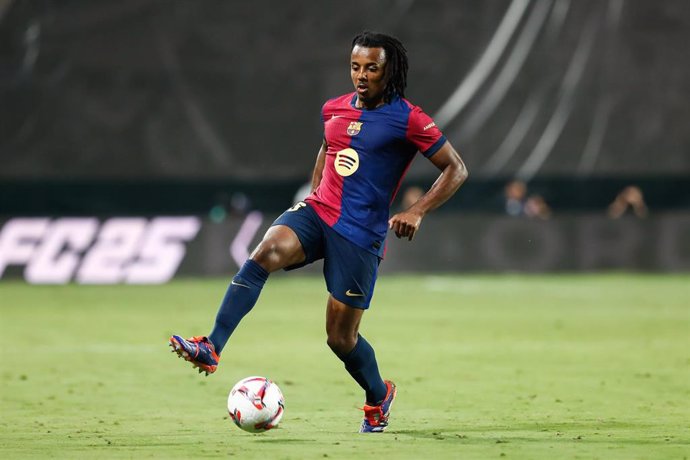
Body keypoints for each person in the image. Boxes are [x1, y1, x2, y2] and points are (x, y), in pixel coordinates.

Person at [169, 31, 468, 433]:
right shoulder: (334, 109)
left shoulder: (408, 118)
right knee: (264, 254)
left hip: (361, 233)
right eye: (355, 66)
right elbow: (328, 147)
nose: (361, 76)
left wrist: (417, 210)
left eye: (372, 68)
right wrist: (314, 196)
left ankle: (378, 395)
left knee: (340, 339)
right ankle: (211, 346)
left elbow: (456, 168)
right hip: (319, 212)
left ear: (389, 70)